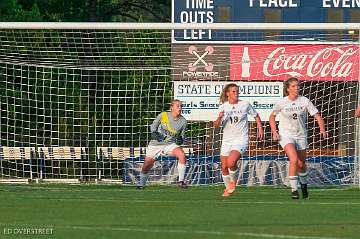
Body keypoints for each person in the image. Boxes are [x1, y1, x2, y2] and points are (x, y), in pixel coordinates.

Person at [269, 77, 328, 199]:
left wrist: (322, 129)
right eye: (294, 86)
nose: (297, 88)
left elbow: (317, 116)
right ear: (288, 88)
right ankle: (294, 190)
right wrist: (275, 132)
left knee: (301, 164)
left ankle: (304, 186)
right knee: (294, 160)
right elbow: (272, 117)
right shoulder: (282, 102)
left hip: (301, 135)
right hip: (285, 135)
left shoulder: (304, 101)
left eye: (298, 86)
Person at [214, 83, 263, 197]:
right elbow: (216, 125)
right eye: (233, 92)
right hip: (227, 140)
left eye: (237, 91)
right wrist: (220, 117)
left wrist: (260, 129)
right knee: (224, 167)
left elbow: (256, 116)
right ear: (227, 94)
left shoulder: (244, 104)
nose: (236, 93)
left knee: (231, 162)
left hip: (241, 139)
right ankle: (228, 189)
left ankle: (233, 183)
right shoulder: (223, 107)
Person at [137, 99, 188, 189]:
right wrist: (154, 133)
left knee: (182, 155)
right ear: (171, 107)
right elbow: (153, 126)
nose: (180, 108)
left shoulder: (183, 121)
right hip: (156, 144)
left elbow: (182, 137)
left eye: (181, 106)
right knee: (146, 165)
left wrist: (181, 140)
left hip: (169, 144)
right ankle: (141, 185)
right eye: (178, 106)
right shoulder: (163, 115)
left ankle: (181, 182)